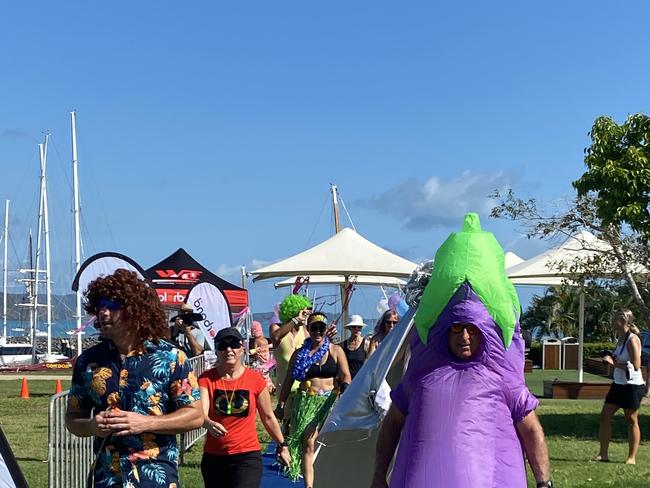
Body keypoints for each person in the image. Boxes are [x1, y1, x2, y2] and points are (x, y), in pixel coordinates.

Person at [370, 213, 551, 488]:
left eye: (472, 329)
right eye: (456, 328)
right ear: (445, 330)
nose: (464, 336)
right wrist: (378, 475)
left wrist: (544, 483)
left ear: (485, 332)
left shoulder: (502, 376)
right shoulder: (422, 374)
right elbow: (393, 424)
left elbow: (531, 429)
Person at [65, 269, 203, 488]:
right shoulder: (88, 362)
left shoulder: (171, 357)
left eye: (111, 305)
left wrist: (146, 422)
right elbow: (73, 418)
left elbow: (195, 416)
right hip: (106, 479)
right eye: (100, 305)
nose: (103, 312)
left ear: (134, 309)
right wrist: (92, 426)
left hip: (155, 478)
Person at [198, 327, 290, 488]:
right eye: (222, 345)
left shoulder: (255, 380)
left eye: (233, 344)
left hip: (246, 455)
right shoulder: (206, 379)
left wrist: (282, 445)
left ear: (242, 349)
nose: (228, 349)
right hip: (214, 456)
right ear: (217, 350)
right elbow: (202, 413)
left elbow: (268, 417)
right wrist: (208, 423)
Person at [276, 312, 352, 487]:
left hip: (329, 403)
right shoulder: (300, 354)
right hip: (306, 402)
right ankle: (309, 485)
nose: (318, 331)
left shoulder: (335, 350)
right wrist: (281, 404)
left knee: (327, 444)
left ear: (325, 329)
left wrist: (346, 387)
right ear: (308, 329)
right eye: (314, 328)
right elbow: (289, 380)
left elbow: (346, 375)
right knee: (309, 442)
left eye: (321, 328)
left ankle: (329, 477)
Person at [597, 308, 645, 464]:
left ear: (623, 321)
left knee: (631, 420)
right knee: (605, 416)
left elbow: (636, 366)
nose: (611, 322)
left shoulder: (632, 339)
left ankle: (632, 457)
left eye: (614, 319)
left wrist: (614, 363)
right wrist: (610, 356)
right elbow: (620, 359)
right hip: (618, 383)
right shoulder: (620, 338)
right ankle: (603, 455)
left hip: (632, 386)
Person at [249, 320, 276, 393]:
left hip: (261, 362)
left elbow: (253, 352)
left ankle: (268, 388)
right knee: (266, 376)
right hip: (267, 360)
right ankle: (271, 388)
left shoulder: (256, 340)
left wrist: (257, 350)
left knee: (263, 376)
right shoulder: (265, 340)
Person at [341, 314, 370, 380]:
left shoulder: (366, 344)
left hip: (361, 380)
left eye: (359, 327)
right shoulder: (343, 345)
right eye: (354, 327)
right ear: (350, 328)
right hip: (347, 381)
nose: (357, 329)